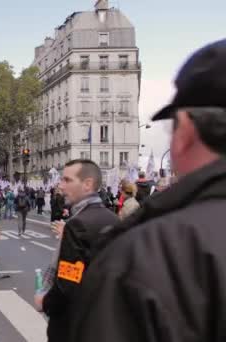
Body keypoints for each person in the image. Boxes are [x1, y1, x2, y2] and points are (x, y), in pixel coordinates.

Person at [68, 39, 226, 342]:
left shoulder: (144, 252)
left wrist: (51, 301)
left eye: (66, 181)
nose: (61, 187)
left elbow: (68, 274)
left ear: (186, 131)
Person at [34, 159, 118, 342]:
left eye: (67, 180)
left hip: (74, 325)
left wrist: (45, 302)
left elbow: (68, 281)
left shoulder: (77, 224)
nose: (61, 186)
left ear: (87, 184)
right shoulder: (112, 219)